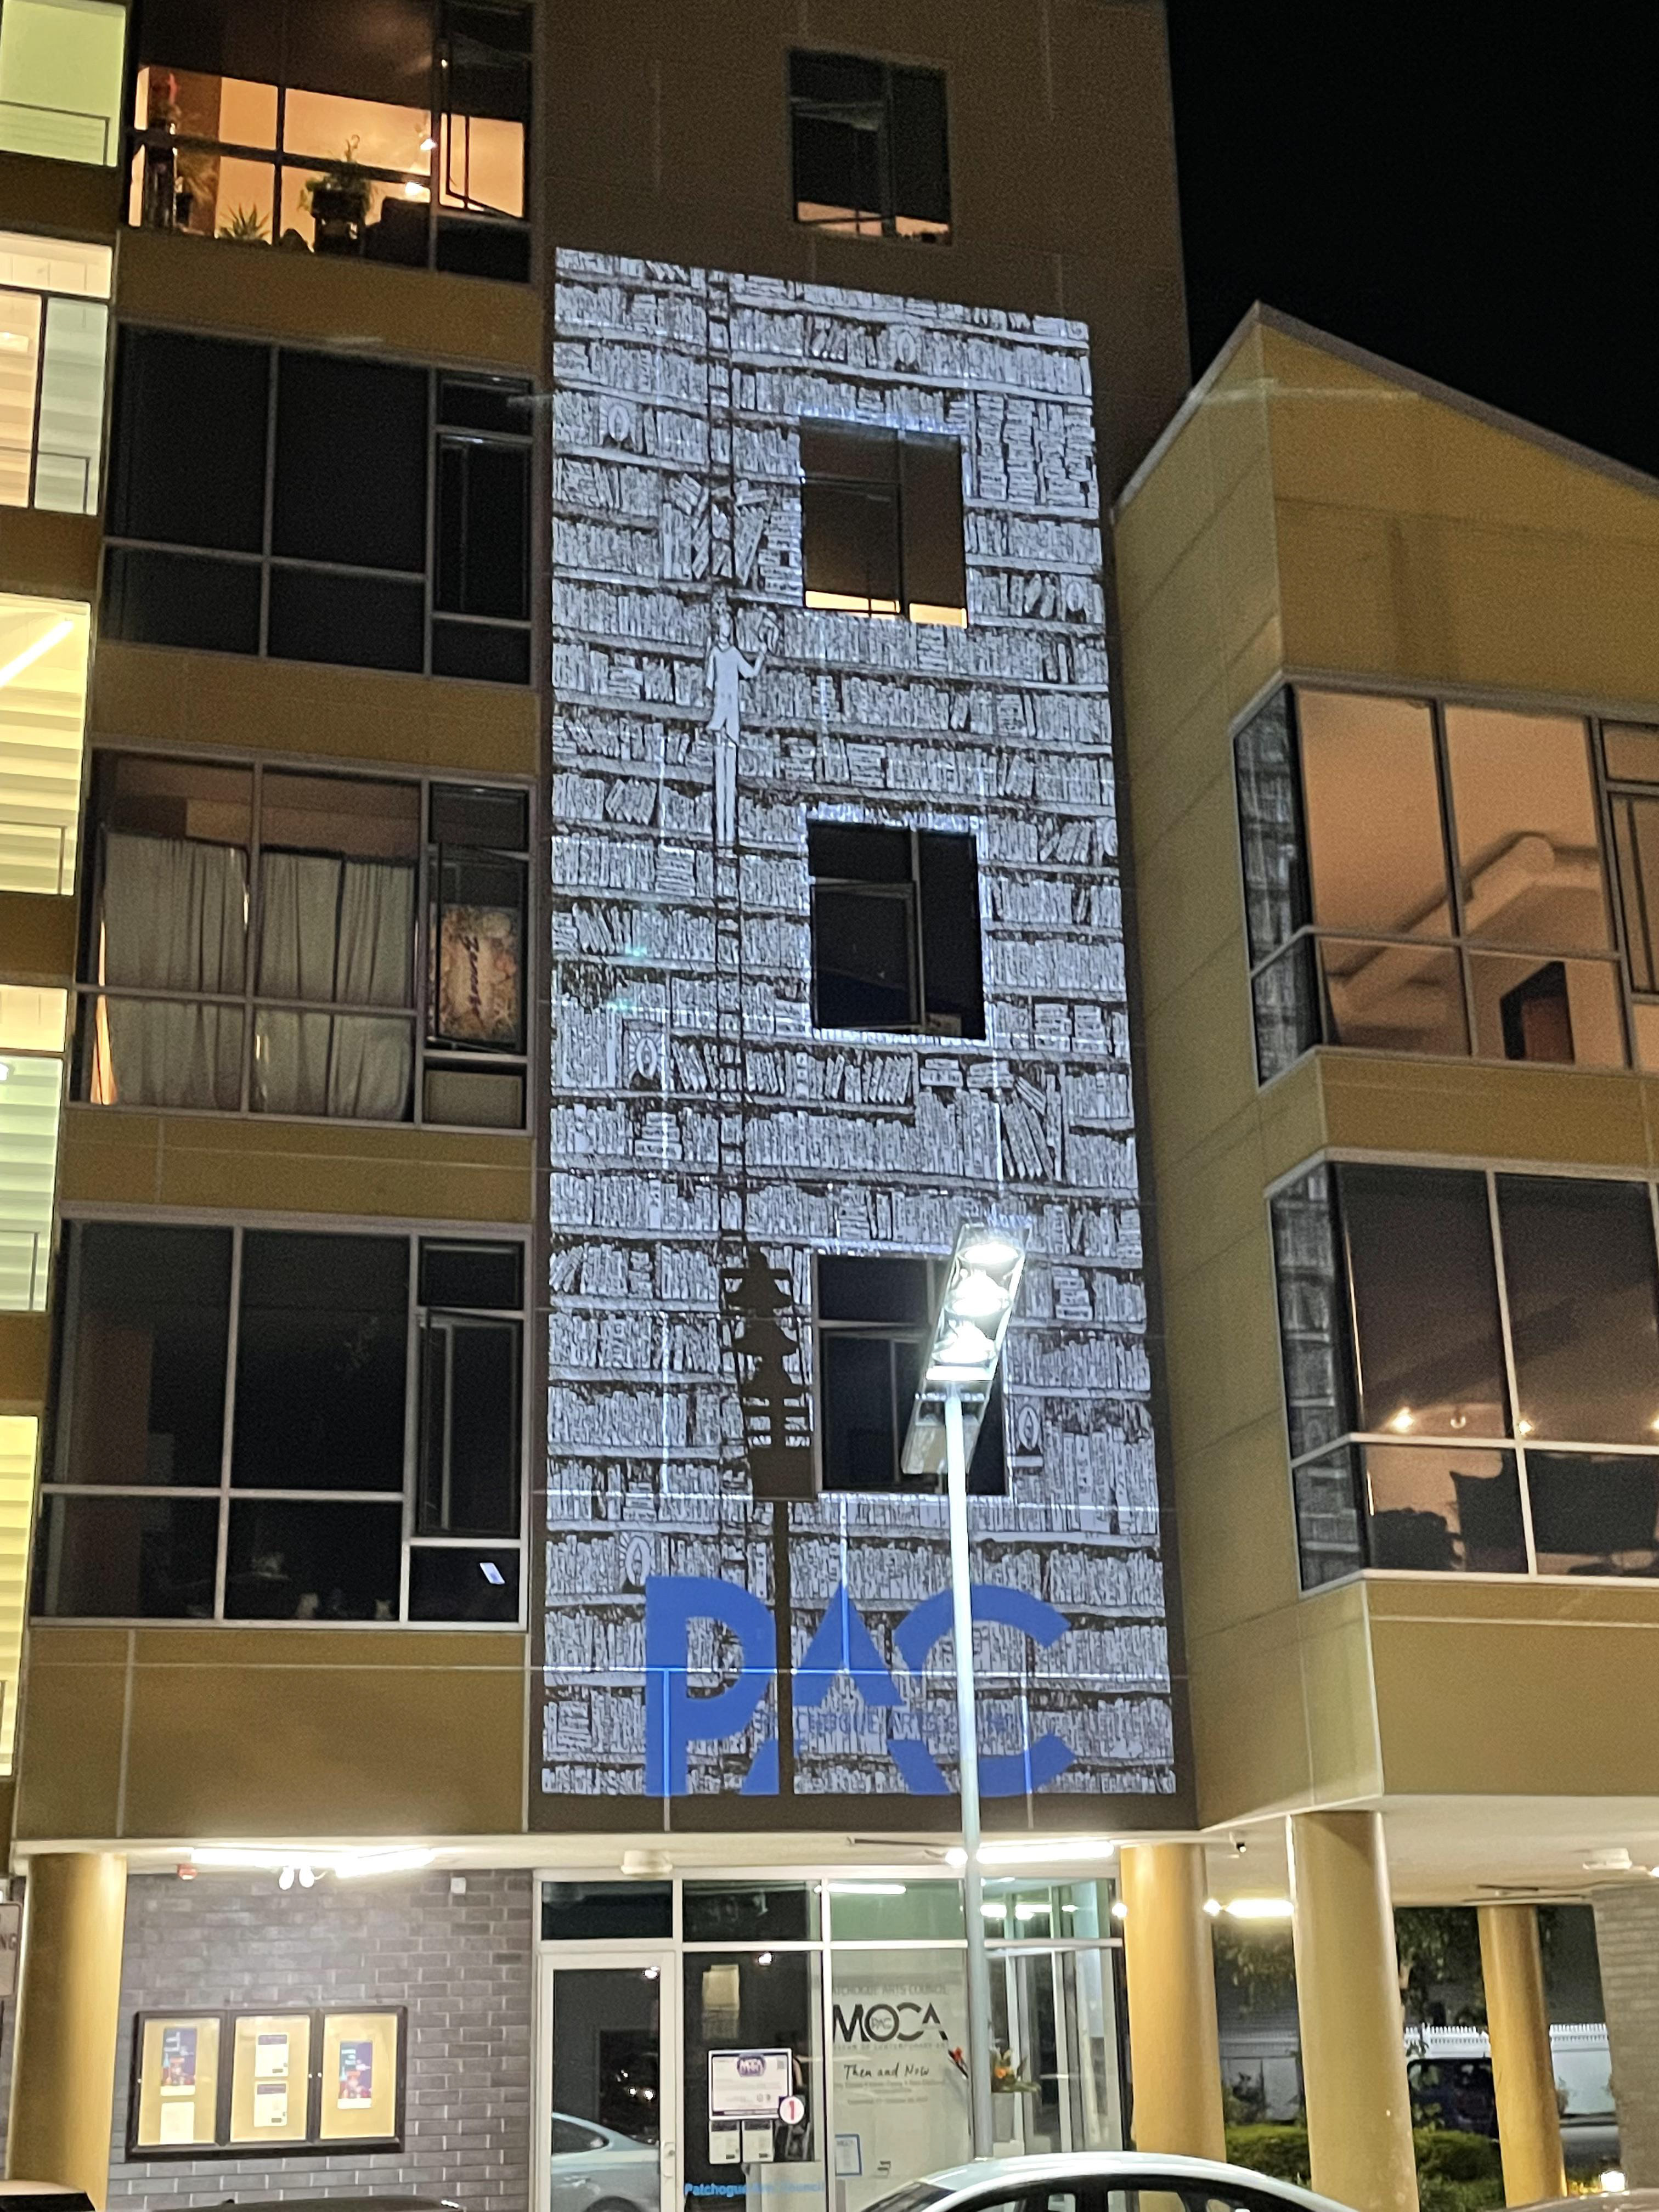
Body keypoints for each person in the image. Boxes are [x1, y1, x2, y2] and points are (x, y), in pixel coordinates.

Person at [704, 598, 765, 847]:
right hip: (722, 718)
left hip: (730, 719)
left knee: (729, 782)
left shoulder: (731, 654)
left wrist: (761, 657)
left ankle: (728, 837)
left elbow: (749, 673)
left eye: (728, 625)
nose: (726, 629)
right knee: (721, 781)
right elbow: (710, 683)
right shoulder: (716, 654)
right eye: (724, 625)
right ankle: (722, 836)